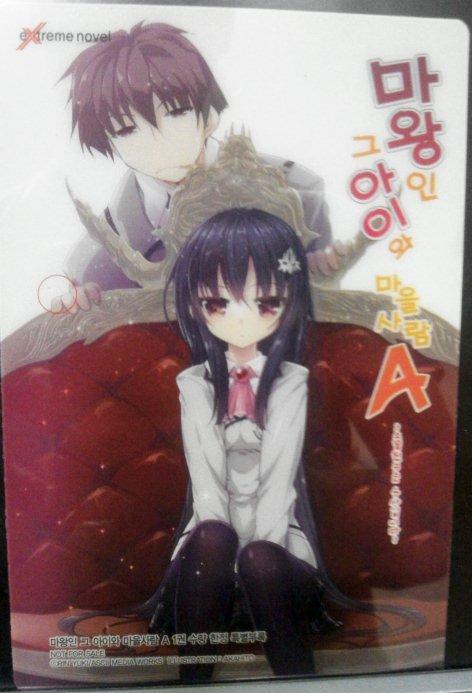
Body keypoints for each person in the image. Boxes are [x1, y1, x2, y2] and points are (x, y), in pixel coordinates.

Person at [148, 207, 336, 680]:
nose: (241, 318)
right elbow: (207, 483)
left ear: (290, 300)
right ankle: (192, 682)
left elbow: (279, 482)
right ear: (196, 304)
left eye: (266, 302)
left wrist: (253, 562)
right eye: (218, 303)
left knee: (260, 558)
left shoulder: (290, 382)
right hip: (208, 557)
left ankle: (299, 683)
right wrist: (223, 562)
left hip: (278, 549)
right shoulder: (194, 384)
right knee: (213, 533)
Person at [57, 22, 338, 312]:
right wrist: (73, 318)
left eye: (176, 112)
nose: (158, 142)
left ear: (210, 114)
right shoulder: (96, 260)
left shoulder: (299, 195)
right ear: (108, 143)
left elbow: (324, 312)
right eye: (126, 130)